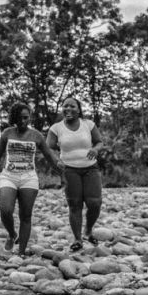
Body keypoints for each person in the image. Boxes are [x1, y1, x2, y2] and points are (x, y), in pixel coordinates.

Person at [0, 102, 62, 256]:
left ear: (30, 118)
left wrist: (63, 173)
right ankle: (12, 234)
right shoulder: (7, 133)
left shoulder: (36, 135)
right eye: (19, 118)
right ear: (14, 117)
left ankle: (21, 252)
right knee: (6, 210)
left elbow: (50, 157)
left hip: (29, 178)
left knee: (25, 215)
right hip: (9, 176)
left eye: (26, 118)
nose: (23, 121)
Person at [47, 98, 106, 252]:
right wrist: (56, 160)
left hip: (90, 168)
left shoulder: (88, 124)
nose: (68, 108)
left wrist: (96, 149)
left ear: (79, 109)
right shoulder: (56, 128)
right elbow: (49, 148)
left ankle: (88, 230)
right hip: (69, 170)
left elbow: (99, 142)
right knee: (75, 205)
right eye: (65, 106)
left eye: (72, 106)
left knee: (95, 202)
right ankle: (78, 239)